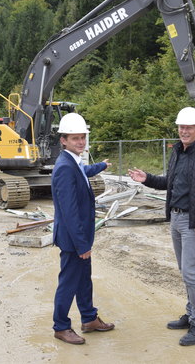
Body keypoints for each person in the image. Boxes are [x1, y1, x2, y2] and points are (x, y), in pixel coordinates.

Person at [128, 106, 195, 346]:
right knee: (184, 270)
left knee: (190, 272)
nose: (184, 131)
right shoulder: (177, 151)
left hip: (194, 220)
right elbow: (170, 182)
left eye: (189, 127)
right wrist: (147, 178)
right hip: (176, 218)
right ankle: (191, 315)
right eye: (181, 127)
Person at [51, 112, 115, 345]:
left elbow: (83, 174)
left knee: (84, 279)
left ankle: (89, 319)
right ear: (63, 140)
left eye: (83, 138)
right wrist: (81, 244)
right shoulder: (65, 167)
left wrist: (101, 166)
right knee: (69, 282)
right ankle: (61, 326)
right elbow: (69, 212)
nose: (81, 142)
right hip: (73, 239)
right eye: (75, 138)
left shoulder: (73, 162)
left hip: (80, 237)